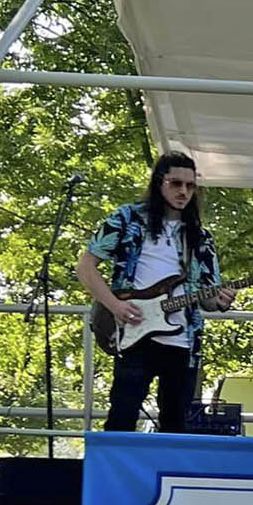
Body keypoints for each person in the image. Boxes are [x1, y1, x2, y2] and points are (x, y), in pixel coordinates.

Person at [76, 151, 235, 432]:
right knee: (122, 417)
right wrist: (114, 305)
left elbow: (208, 299)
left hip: (182, 342)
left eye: (190, 185)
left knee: (176, 425)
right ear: (159, 183)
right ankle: (114, 475)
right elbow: (86, 267)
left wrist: (220, 300)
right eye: (176, 183)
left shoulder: (200, 238)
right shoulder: (126, 219)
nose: (183, 192)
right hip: (135, 332)